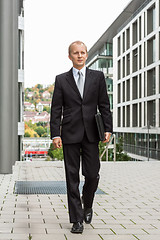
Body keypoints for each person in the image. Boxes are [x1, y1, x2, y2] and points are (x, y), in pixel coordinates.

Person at [50, 41, 112, 234]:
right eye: (75, 53)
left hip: (92, 133)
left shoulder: (98, 77)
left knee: (92, 174)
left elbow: (104, 104)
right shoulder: (61, 80)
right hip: (69, 133)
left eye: (82, 52)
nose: (79, 55)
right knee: (72, 177)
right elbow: (56, 109)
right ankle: (76, 220)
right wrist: (55, 134)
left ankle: (88, 204)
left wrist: (108, 129)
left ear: (86, 55)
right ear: (70, 56)